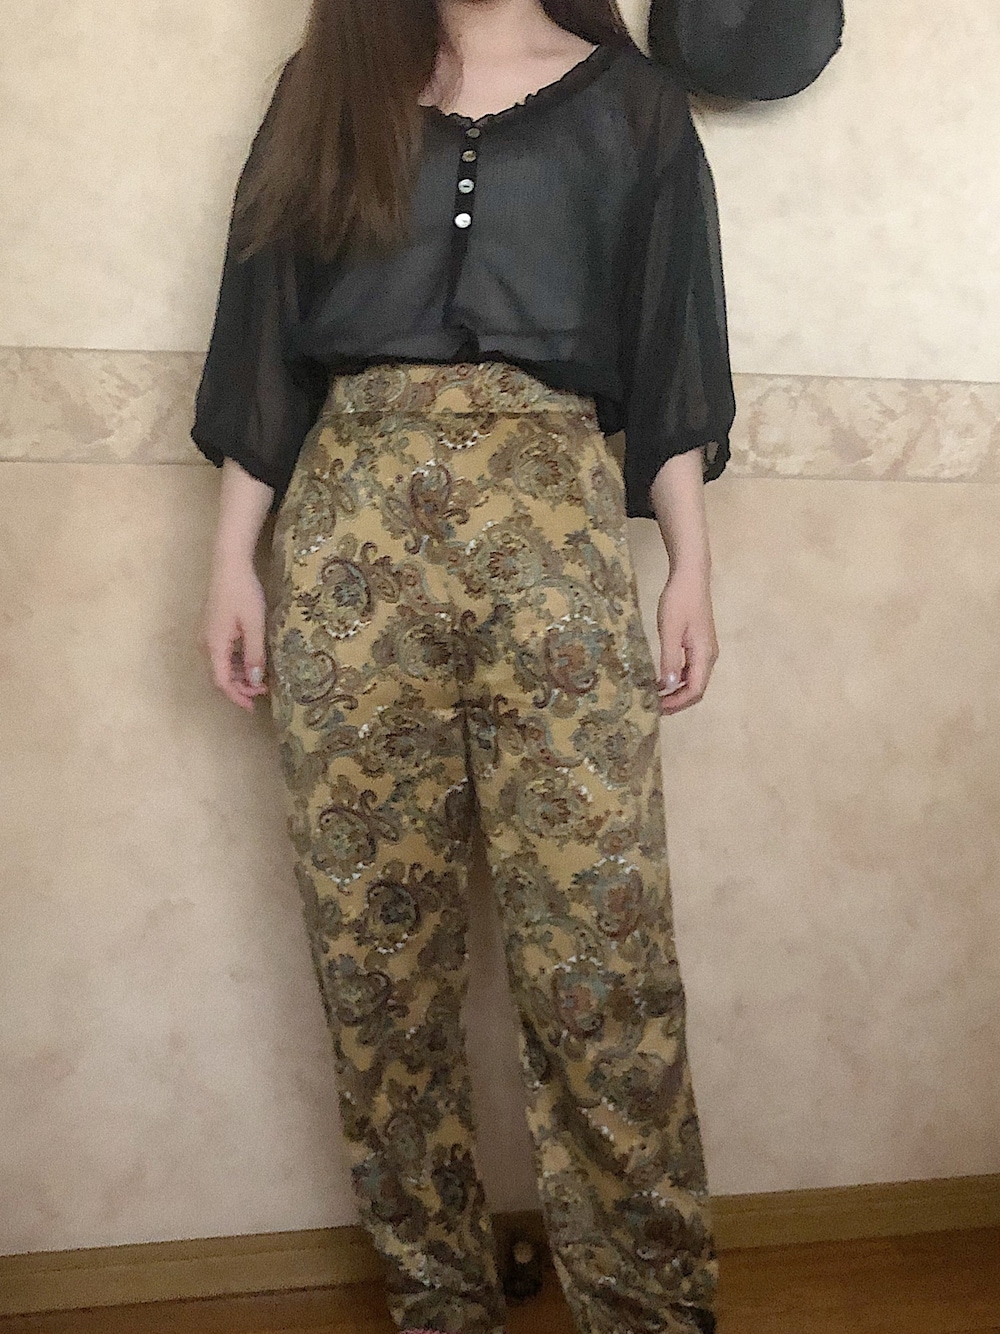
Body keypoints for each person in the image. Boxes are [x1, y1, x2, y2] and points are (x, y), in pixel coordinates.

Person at [192, 1, 736, 1332]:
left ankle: (647, 1304)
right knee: (376, 951)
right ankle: (438, 1293)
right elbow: (264, 334)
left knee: (601, 950)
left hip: (556, 536)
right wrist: (229, 564)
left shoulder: (633, 106)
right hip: (348, 541)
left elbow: (671, 340)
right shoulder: (327, 88)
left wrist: (690, 566)